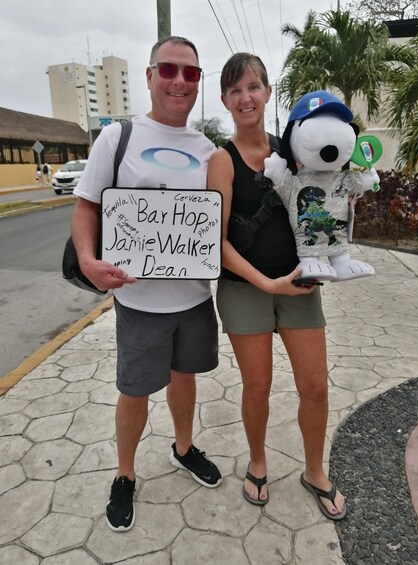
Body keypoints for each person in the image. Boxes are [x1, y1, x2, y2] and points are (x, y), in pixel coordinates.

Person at [71, 36, 222, 533]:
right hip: (137, 300)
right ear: (150, 74)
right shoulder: (118, 138)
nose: (180, 81)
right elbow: (87, 205)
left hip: (195, 298)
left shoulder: (207, 151)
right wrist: (90, 262)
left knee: (185, 376)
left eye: (192, 73)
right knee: (134, 390)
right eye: (170, 69)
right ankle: (125, 474)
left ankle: (182, 448)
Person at [207, 53, 346, 520]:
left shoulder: (293, 148)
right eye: (234, 90)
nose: (245, 97)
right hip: (245, 287)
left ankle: (314, 470)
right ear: (225, 100)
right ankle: (259, 461)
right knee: (257, 387)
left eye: (253, 86)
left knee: (315, 387)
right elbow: (217, 241)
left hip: (300, 282)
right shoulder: (220, 161)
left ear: (268, 92)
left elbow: (322, 202)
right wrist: (269, 284)